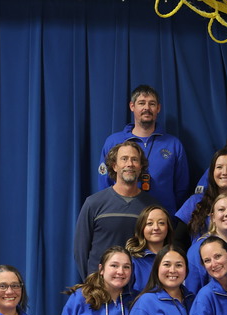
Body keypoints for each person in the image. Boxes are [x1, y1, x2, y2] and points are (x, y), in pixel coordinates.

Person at [98, 85, 189, 215]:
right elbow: (104, 184)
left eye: (152, 104)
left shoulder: (173, 145)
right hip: (123, 216)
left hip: (162, 222)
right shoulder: (113, 142)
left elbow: (181, 189)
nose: (147, 108)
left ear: (158, 108)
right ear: (132, 106)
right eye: (141, 103)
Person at [75, 140, 157, 280]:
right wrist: (90, 283)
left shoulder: (152, 208)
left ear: (141, 167)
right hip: (100, 289)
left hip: (137, 290)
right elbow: (80, 250)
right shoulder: (93, 203)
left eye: (135, 160)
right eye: (124, 159)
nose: (129, 164)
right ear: (114, 166)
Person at [176, 149, 227, 239]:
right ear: (212, 172)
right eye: (219, 167)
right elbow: (178, 241)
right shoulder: (194, 202)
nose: (225, 172)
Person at [126, 205, 172, 294]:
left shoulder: (177, 258)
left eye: (161, 223)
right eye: (149, 223)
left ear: (168, 227)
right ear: (141, 228)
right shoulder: (132, 261)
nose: (156, 228)